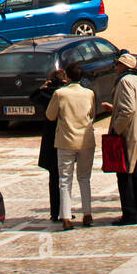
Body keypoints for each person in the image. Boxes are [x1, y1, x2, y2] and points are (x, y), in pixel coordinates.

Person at [46, 63, 96, 230]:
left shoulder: (60, 93)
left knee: (65, 179)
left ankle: (66, 216)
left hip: (66, 140)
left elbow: (50, 116)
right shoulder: (89, 93)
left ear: (67, 76)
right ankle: (87, 213)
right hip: (86, 140)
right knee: (84, 177)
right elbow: (92, 114)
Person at [106, 51, 137, 226]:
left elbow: (128, 110)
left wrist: (117, 130)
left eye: (118, 64)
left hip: (128, 134)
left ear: (125, 67)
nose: (116, 67)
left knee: (125, 176)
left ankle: (130, 214)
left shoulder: (125, 82)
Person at [35, 67, 69, 222]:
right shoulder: (65, 93)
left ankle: (55, 212)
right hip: (63, 138)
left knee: (54, 178)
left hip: (50, 140)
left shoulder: (47, 93)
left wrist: (42, 87)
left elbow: (32, 97)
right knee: (65, 176)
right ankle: (64, 210)